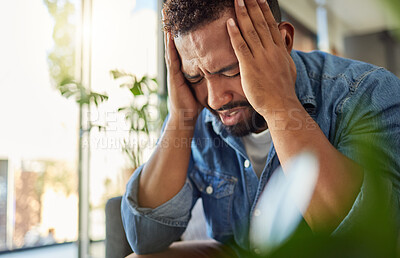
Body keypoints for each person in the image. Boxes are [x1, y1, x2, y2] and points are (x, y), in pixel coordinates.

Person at [121, 0, 400, 257]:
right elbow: (145, 237)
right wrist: (180, 116)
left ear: (284, 41)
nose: (216, 99)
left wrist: (279, 104)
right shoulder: (197, 107)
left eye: (231, 70)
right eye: (195, 77)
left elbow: (369, 240)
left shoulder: (365, 92)